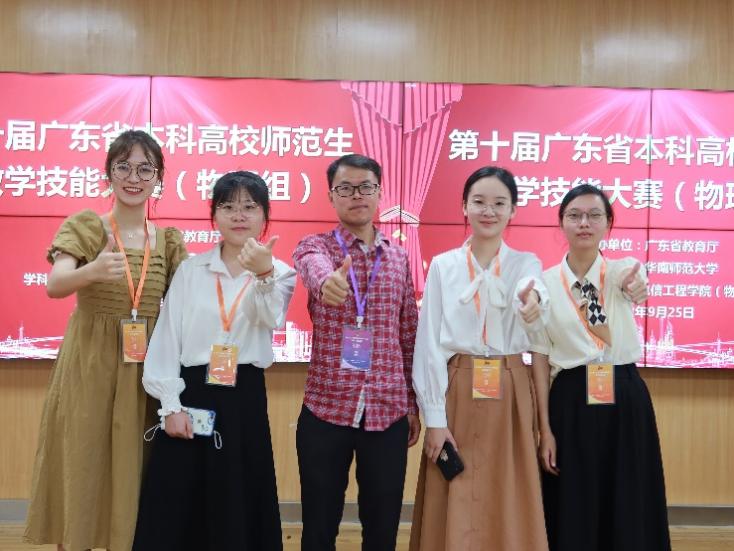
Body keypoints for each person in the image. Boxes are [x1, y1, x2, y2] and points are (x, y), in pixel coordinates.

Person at [24, 130, 188, 551]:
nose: (134, 178)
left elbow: (190, 302)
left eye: (145, 169)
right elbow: (55, 284)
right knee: (82, 463)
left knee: (136, 471)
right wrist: (92, 271)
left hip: (145, 372)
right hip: (90, 366)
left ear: (159, 178)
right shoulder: (88, 226)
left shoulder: (168, 241)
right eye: (123, 167)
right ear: (108, 173)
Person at [132, 171, 296, 551]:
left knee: (238, 498)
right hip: (191, 392)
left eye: (249, 206)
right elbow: (168, 338)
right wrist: (170, 405)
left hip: (243, 397)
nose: (239, 215)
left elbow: (267, 317)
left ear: (264, 216)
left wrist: (264, 274)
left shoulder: (280, 273)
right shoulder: (191, 270)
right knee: (178, 502)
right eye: (228, 206)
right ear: (214, 215)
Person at [410, 166, 550, 551]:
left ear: (513, 210)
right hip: (456, 387)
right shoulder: (443, 265)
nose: (489, 211)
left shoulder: (525, 263)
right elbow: (429, 344)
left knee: (509, 488)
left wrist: (533, 301)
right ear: (464, 207)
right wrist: (434, 419)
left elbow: (533, 289)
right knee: (453, 482)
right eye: (479, 202)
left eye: (499, 203)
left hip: (510, 387)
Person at [292, 153, 420, 551]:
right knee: (319, 526)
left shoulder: (398, 257)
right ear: (331, 196)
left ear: (379, 193)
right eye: (345, 188)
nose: (356, 195)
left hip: (387, 410)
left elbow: (408, 333)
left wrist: (412, 403)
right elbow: (310, 266)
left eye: (366, 186)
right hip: (326, 409)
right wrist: (326, 283)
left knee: (382, 528)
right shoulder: (317, 247)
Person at [532, 183, 670, 551]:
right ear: (561, 222)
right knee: (574, 498)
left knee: (628, 494)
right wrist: (544, 429)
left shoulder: (621, 271)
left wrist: (637, 286)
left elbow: (636, 283)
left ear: (608, 223)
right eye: (574, 215)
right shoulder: (544, 284)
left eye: (594, 215)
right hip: (570, 399)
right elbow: (540, 359)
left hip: (623, 393)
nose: (584, 223)